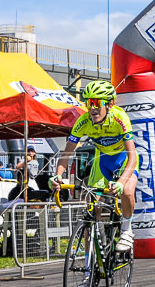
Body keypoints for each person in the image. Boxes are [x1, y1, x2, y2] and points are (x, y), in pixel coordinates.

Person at [54, 79, 139, 266]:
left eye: (95, 103)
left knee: (126, 191)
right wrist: (58, 175)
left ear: (109, 104)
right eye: (87, 103)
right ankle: (89, 266)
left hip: (123, 160)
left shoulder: (119, 118)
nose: (91, 108)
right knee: (91, 210)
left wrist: (121, 181)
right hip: (102, 162)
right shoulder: (83, 121)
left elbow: (132, 158)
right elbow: (67, 153)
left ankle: (126, 229)